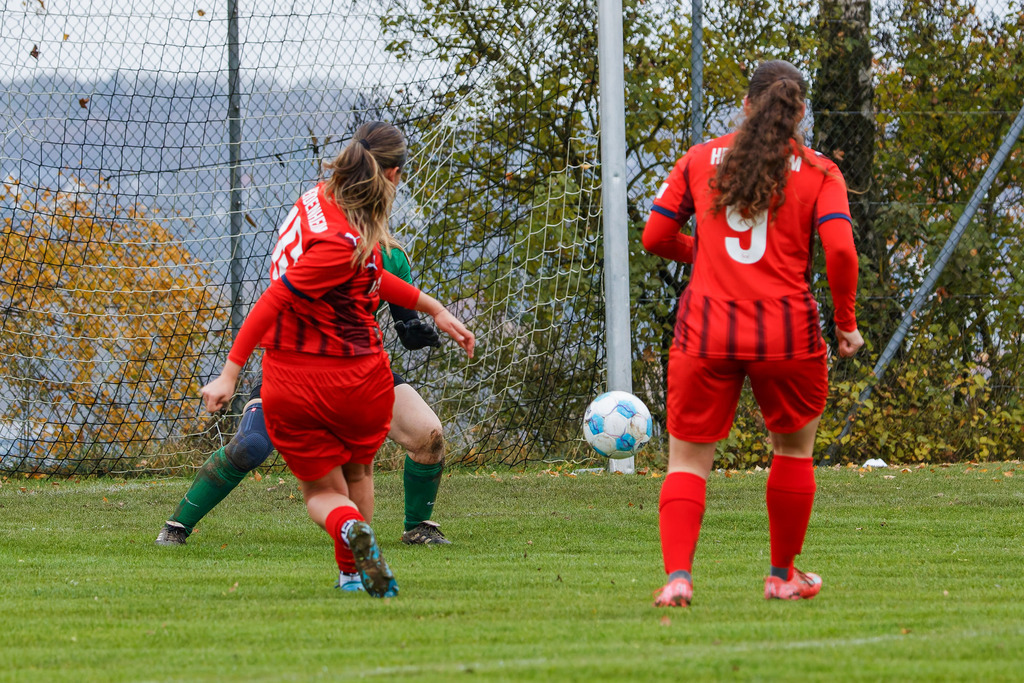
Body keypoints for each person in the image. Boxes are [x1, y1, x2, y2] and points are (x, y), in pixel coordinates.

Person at [196, 122, 474, 598]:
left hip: (298, 379)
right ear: (391, 175)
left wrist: (229, 374)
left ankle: (352, 543)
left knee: (324, 494)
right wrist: (436, 308)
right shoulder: (350, 235)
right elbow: (358, 274)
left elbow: (272, 301)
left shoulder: (316, 206)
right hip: (364, 377)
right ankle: (357, 572)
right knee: (360, 473)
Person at [641, 60, 864, 607]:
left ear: (746, 105)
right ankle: (782, 575)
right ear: (800, 112)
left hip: (706, 328)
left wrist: (705, 254)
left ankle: (678, 578)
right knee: (791, 452)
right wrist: (845, 323)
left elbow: (655, 235)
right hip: (785, 331)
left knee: (688, 461)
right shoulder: (819, 171)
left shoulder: (699, 159)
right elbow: (839, 249)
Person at [155, 244, 456, 563]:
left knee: (428, 434)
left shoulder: (391, 256)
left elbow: (403, 316)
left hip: (359, 370)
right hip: (293, 370)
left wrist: (412, 329)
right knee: (251, 445)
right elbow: (270, 307)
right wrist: (230, 373)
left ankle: (414, 529)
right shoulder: (316, 244)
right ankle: (177, 525)